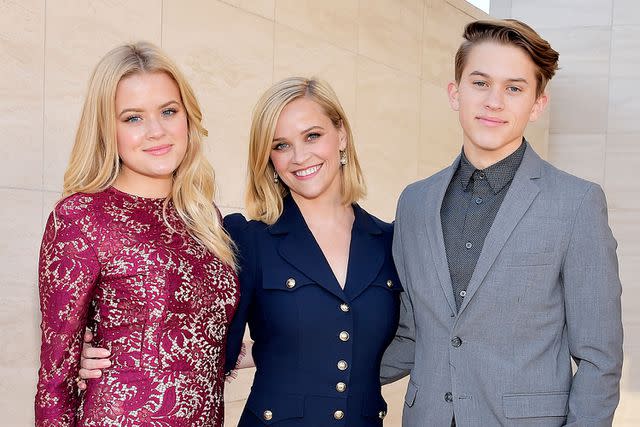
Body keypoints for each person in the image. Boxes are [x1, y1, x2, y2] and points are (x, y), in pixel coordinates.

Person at [80, 76, 402, 426]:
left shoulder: (391, 242)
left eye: (312, 136)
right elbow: (210, 343)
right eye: (280, 145)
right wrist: (108, 357)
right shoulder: (248, 239)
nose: (299, 157)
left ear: (340, 135)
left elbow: (420, 338)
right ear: (268, 158)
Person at [380, 19, 623, 426]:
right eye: (480, 83)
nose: (494, 101)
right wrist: (305, 365)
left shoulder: (577, 203)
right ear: (455, 94)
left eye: (514, 88)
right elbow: (412, 334)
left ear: (538, 104)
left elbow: (600, 358)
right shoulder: (415, 203)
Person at [35, 42, 239, 426]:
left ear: (187, 116)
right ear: (106, 128)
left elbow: (203, 341)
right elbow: (54, 379)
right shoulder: (82, 216)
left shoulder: (205, 217)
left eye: (168, 111)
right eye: (132, 118)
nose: (156, 131)